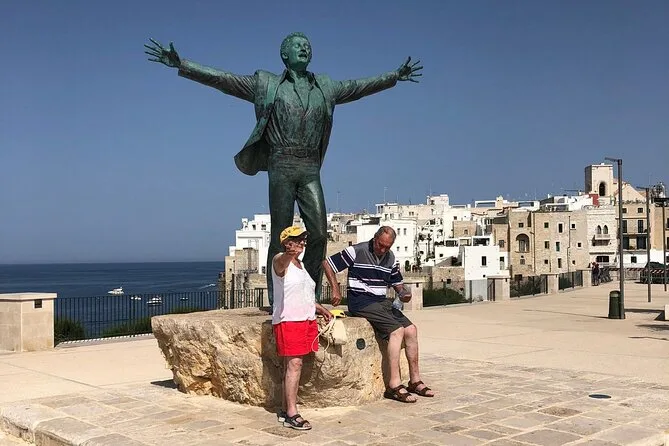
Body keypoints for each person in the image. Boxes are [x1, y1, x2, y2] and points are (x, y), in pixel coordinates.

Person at [144, 33, 422, 306]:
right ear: (284, 55)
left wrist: (394, 76)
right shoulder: (267, 84)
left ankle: (309, 291)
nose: (304, 48)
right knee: (281, 231)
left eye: (307, 45)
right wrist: (183, 64)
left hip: (310, 166)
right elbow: (225, 81)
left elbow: (358, 87)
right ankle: (278, 294)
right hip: (281, 163)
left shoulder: (325, 87)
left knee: (319, 233)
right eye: (297, 45)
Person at [321, 226, 434, 403]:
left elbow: (397, 283)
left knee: (411, 330)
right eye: (380, 245)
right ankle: (394, 384)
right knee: (396, 331)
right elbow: (328, 263)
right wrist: (335, 288)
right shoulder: (357, 251)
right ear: (375, 239)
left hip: (381, 302)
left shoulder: (390, 257)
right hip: (361, 301)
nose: (382, 249)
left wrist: (403, 293)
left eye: (387, 247)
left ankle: (415, 380)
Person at [272, 225, 333, 430]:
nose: (301, 242)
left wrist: (320, 308)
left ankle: (285, 409)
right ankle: (292, 413)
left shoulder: (301, 265)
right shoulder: (280, 259)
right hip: (289, 320)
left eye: (302, 239)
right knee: (294, 364)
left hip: (305, 319)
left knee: (292, 365)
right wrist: (288, 254)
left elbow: (303, 294)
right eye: (297, 239)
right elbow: (280, 265)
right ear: (287, 242)